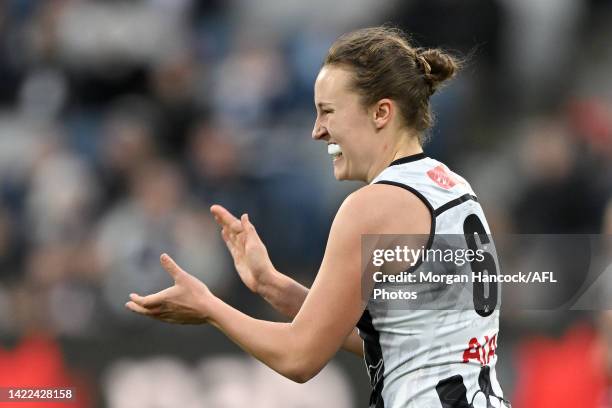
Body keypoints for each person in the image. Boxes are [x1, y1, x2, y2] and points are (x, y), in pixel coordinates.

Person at [126, 26, 509, 407]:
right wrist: (272, 285)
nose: (317, 131)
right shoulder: (454, 188)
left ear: (381, 113)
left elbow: (300, 357)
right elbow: (399, 341)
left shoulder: (372, 206)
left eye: (327, 111)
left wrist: (210, 308)